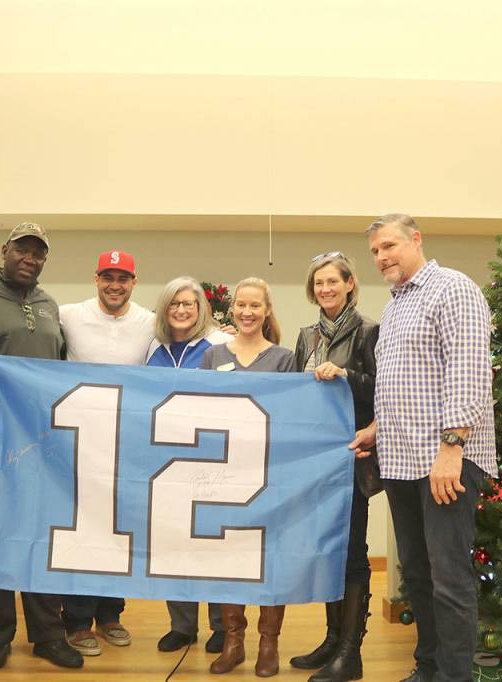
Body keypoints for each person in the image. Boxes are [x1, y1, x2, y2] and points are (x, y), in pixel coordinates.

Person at [349, 214, 496, 682]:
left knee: (449, 579)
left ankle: (455, 677)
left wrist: (452, 446)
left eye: (389, 245)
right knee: (416, 575)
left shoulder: (453, 288)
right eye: (374, 251)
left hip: (445, 460)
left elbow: (468, 371)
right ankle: (428, 668)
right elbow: (404, 383)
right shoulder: (394, 306)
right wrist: (375, 427)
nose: (381, 257)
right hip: (400, 460)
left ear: (416, 240)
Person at [0, 222, 83, 671]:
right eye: (22, 250)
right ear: (4, 250)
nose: (30, 259)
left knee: (42, 531)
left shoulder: (48, 305)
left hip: (39, 437)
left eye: (39, 253)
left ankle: (47, 634)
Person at [55, 249, 154, 655]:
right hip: (79, 440)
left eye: (123, 278)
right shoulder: (68, 314)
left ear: (134, 281)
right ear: (96, 279)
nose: (115, 284)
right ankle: (77, 621)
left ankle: (111, 614)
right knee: (83, 529)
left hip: (127, 440)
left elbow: (200, 333)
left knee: (119, 530)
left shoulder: (149, 321)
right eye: (108, 276)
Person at [290, 252, 380, 682]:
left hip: (354, 455)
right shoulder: (306, 336)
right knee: (328, 549)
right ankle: (331, 640)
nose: (325, 289)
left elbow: (382, 390)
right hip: (317, 460)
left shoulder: (368, 331)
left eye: (332, 282)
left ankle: (351, 652)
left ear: (349, 284)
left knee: (353, 555)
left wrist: (344, 374)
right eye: (318, 283)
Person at [200, 277, 294, 678]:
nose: (247, 312)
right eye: (241, 305)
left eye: (255, 305)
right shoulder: (212, 356)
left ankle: (268, 643)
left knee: (269, 557)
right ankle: (233, 641)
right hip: (223, 473)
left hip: (269, 473)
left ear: (267, 310)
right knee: (227, 556)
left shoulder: (284, 359)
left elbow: (293, 417)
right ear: (231, 309)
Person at [145, 276, 233, 655]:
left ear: (201, 309)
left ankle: (220, 625)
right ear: (165, 310)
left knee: (211, 543)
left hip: (210, 458)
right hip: (165, 460)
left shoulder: (219, 344)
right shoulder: (154, 347)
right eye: (174, 304)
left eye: (189, 304)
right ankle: (182, 625)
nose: (181, 310)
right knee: (172, 542)